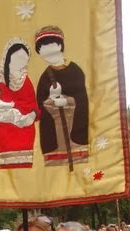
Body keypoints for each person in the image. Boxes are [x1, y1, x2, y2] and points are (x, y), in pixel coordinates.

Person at [35, 25, 89, 166]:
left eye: (52, 49)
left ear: (60, 46)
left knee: (78, 163)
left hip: (75, 128)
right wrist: (50, 102)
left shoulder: (75, 71)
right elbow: (39, 104)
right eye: (44, 52)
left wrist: (66, 101)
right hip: (54, 131)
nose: (49, 55)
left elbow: (83, 99)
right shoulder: (45, 77)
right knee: (56, 169)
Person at [0, 39, 40, 169]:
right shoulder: (0, 80)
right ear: (8, 58)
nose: (21, 62)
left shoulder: (26, 81)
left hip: (25, 130)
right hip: (5, 131)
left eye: (24, 58)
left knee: (25, 166)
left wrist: (32, 115)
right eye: (17, 58)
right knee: (8, 168)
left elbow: (33, 104)